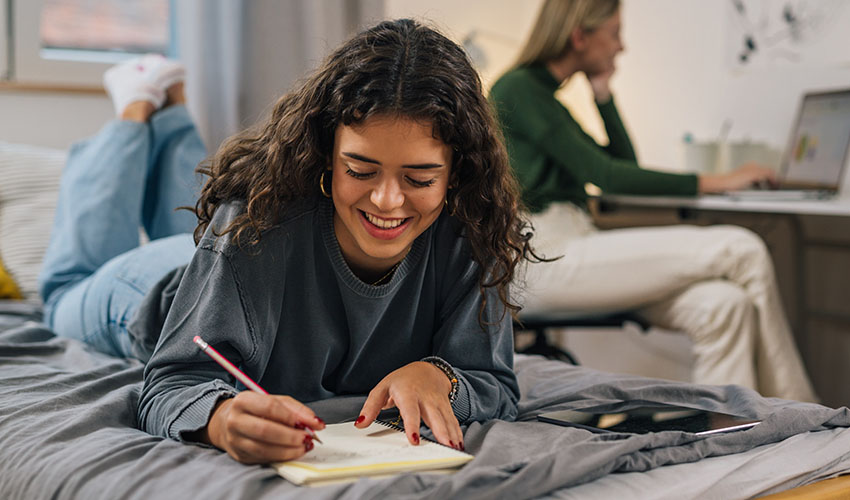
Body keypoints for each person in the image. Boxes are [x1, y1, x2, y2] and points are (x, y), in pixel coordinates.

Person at [38, 19, 535, 464]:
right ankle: (136, 107)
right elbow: (173, 382)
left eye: (420, 179)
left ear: (458, 173)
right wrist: (219, 418)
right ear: (326, 155)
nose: (387, 201)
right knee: (65, 286)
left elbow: (492, 383)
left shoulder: (475, 225)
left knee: (193, 227)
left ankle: (173, 111)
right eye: (360, 170)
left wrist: (440, 376)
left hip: (222, 267)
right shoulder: (258, 221)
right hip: (155, 293)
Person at [488, 0, 818, 402]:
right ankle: (800, 412)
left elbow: (621, 167)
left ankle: (733, 430)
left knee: (723, 305)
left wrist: (603, 95)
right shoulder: (520, 88)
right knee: (743, 247)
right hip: (541, 256)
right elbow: (608, 176)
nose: (621, 47)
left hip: (572, 244)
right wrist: (720, 180)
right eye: (614, 33)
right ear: (579, 36)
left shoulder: (544, 97)